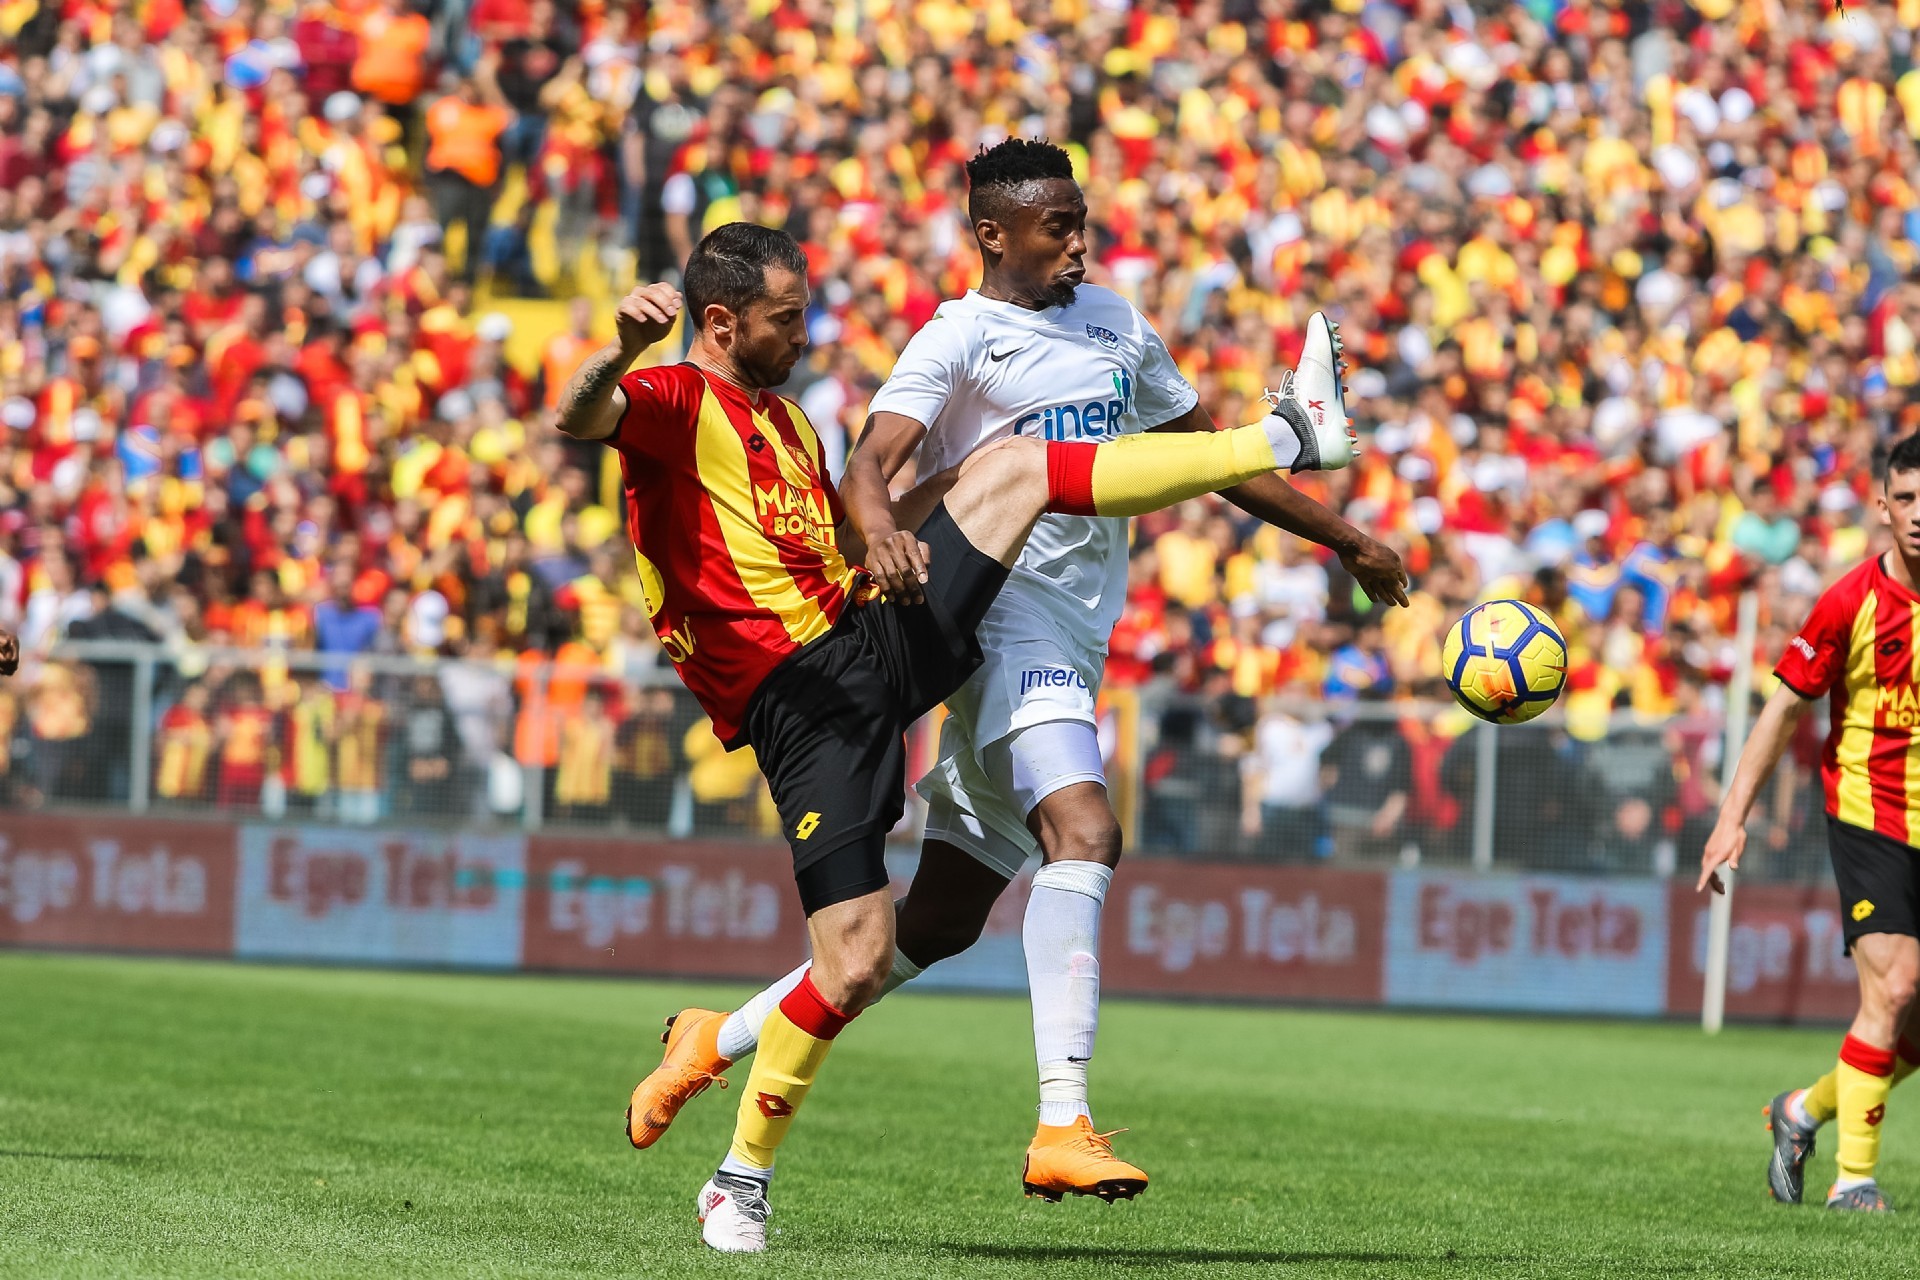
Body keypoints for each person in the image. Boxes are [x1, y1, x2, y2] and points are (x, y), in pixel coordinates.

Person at [624, 141, 1404, 1213]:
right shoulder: (960, 336)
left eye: (1082, 221)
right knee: (1084, 829)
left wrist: (1344, 537)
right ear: (993, 235)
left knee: (931, 925)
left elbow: (1197, 456)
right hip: (1001, 621)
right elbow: (869, 466)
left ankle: (715, 1040)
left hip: (1078, 633)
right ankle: (1061, 1121)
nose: (1080, 242)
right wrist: (882, 531)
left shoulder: (1119, 325)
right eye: (1057, 226)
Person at [1700, 432, 1920, 1214]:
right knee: (1895, 987)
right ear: (1882, 506)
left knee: (1912, 1028)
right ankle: (1853, 1183)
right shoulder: (1849, 601)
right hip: (1871, 813)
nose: (1919, 514)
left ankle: (1803, 1109)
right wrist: (1732, 818)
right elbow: (1783, 709)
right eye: (1907, 499)